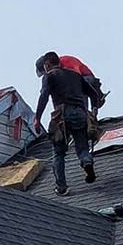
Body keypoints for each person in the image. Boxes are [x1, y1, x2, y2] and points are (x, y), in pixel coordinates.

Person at [33, 51, 104, 194]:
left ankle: (61, 187)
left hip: (62, 115)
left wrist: (37, 118)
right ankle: (87, 162)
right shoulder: (75, 75)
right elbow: (93, 94)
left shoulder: (49, 76)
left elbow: (44, 96)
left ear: (47, 65)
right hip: (80, 113)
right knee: (82, 147)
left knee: (59, 152)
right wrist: (94, 110)